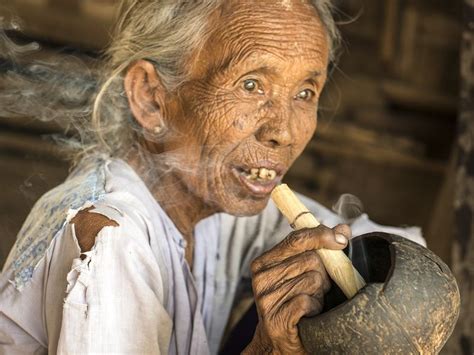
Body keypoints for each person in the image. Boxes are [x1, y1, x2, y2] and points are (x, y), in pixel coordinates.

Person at [0, 0, 424, 354]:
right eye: (252, 85)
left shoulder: (220, 205)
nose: (284, 132)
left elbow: (378, 247)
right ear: (151, 97)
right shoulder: (111, 244)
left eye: (304, 94)